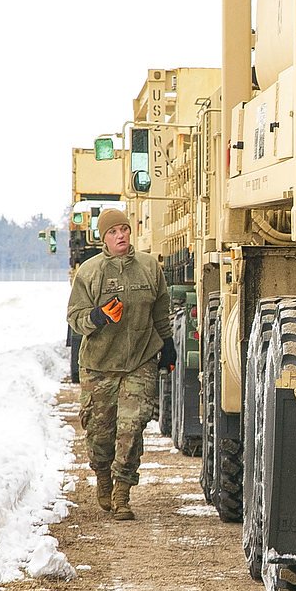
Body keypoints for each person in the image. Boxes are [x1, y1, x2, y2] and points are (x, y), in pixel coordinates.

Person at [66, 208, 176, 520]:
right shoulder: (89, 272)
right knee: (101, 433)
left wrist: (167, 345)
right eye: (114, 232)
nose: (121, 236)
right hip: (100, 364)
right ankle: (103, 477)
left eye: (125, 230)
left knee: (132, 427)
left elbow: (161, 310)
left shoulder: (149, 268)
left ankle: (122, 493)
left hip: (139, 360)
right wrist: (98, 317)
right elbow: (74, 317)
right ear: (104, 238)